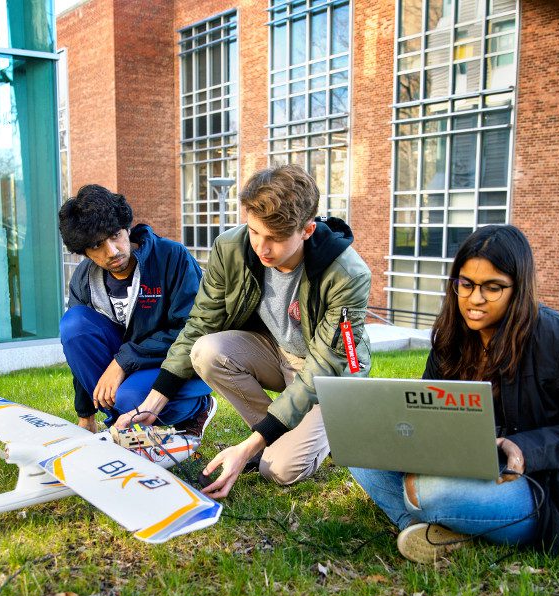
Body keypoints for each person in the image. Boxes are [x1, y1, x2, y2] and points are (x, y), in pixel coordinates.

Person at [350, 224, 559, 563]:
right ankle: (428, 532)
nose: (475, 299)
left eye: (492, 287)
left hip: (535, 485)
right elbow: (428, 407)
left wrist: (526, 447)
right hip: (463, 463)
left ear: (518, 288)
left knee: (427, 491)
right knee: (361, 453)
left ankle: (430, 516)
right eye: (465, 284)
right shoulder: (451, 336)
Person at [118, 165, 371, 499]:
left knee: (278, 470)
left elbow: (325, 365)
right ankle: (271, 434)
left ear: (307, 230)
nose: (262, 249)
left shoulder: (347, 275)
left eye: (276, 239)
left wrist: (252, 445)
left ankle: (322, 429)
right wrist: (153, 403)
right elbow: (201, 323)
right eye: (254, 232)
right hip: (275, 352)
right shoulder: (231, 249)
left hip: (328, 376)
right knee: (205, 351)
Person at [58, 184, 215, 443]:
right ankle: (121, 421)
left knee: (129, 397)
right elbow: (79, 351)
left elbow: (192, 329)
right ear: (84, 251)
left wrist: (124, 361)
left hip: (170, 366)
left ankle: (198, 409)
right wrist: (85, 414)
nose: (113, 251)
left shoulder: (172, 257)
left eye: (115, 235)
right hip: (127, 367)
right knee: (74, 325)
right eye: (97, 245)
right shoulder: (84, 278)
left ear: (127, 228)